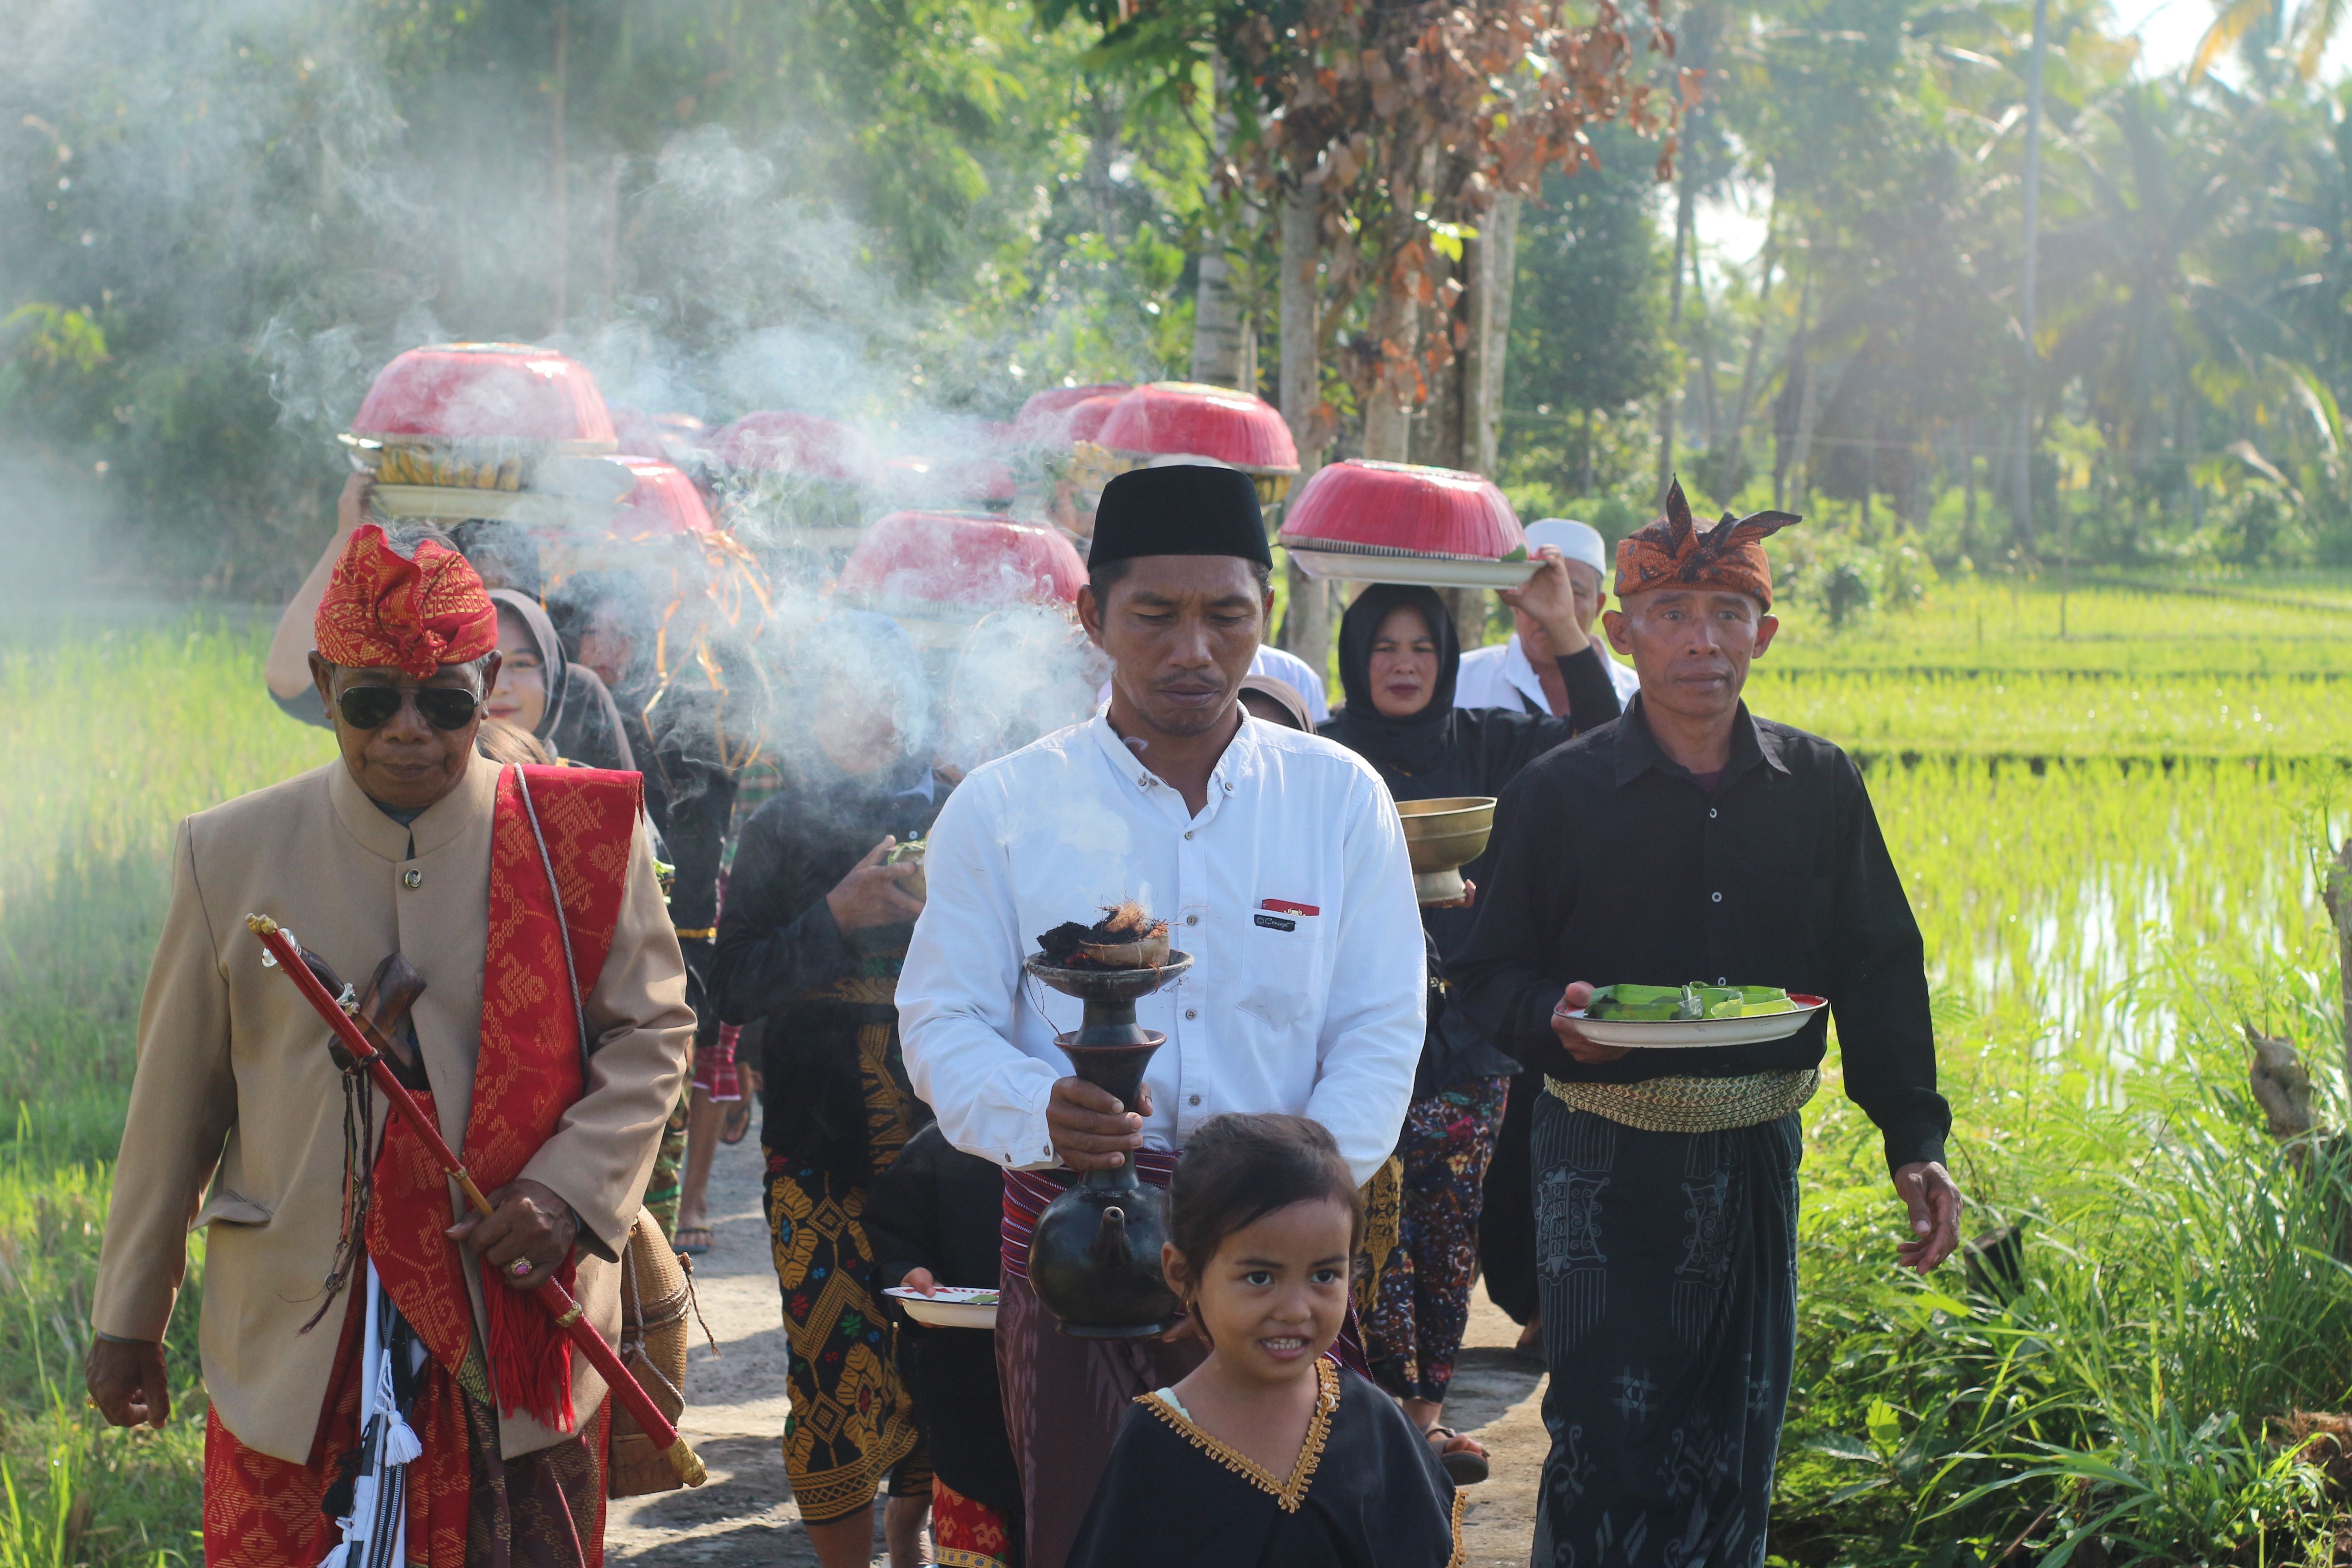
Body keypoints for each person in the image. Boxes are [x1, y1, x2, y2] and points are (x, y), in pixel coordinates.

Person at [89, 523, 693, 1568]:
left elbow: (652, 1031)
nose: (408, 730)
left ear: (492, 680)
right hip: (298, 1344)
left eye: (446, 701)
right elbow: (175, 1104)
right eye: (373, 700)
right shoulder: (228, 850)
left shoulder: (577, 838)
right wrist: (127, 1314)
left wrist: (566, 1192)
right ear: (324, 685)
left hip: (514, 1323)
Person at [897, 464, 1427, 1568]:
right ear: (1092, 616)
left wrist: (1293, 1203)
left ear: (1265, 615)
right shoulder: (1003, 807)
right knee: (1096, 1531)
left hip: (1283, 1251)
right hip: (1080, 1241)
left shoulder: (1337, 799)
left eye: (1225, 614)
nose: (1193, 647)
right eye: (1155, 615)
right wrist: (1041, 1109)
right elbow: (938, 1024)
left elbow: (1381, 1025)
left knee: (1304, 1529)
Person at [1448, 481, 1963, 1564]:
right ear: (1622, 632)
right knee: (1601, 1433)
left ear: (1763, 635)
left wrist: (1912, 1136)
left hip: (1752, 1150)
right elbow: (1485, 970)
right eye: (1673, 613)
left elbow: (1877, 962)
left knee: (1739, 1427)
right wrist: (1552, 1015)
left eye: (1726, 613)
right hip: (1598, 1152)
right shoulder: (1557, 794)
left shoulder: (1816, 785)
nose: (1701, 640)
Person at [1318, 566, 1622, 1476]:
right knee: (1367, 1223)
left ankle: (1423, 1412)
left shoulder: (1488, 744)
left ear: (1447, 658)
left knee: (1447, 1227)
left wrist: (1564, 633)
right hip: (1354, 1026)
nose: (1404, 664)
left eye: (1422, 646)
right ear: (1354, 657)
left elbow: (1603, 739)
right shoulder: (1326, 756)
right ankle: (1368, 1412)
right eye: (1384, 647)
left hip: (1468, 1035)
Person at [710, 612, 949, 1568]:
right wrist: (835, 917)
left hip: (947, 1139)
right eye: (842, 696)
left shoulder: (959, 812)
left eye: (886, 695)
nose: (868, 717)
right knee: (831, 1364)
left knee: (941, 1345)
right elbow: (731, 984)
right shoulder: (778, 826)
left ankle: (913, 1539)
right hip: (816, 1146)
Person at [1063, 1114, 1463, 1568]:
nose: (1296, 1310)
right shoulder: (1156, 1443)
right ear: (1182, 1273)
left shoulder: (1372, 1421)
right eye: (1260, 1277)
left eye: (1325, 1275)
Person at [867, 1123, 1024, 1568]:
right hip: (968, 1391)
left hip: (1082, 1396)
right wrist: (908, 1274)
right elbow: (893, 1234)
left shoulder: (1121, 1152)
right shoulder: (947, 1144)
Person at [1454, 518, 1639, 715]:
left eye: (1573, 594)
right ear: (1514, 600)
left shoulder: (1642, 696)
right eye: (1538, 591)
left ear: (1598, 606)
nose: (1553, 608)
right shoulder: (1459, 681)